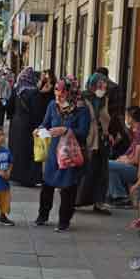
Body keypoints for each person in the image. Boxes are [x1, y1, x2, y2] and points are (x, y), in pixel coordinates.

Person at [33, 78, 90, 232]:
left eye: (63, 91)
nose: (59, 94)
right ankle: (42, 216)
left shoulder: (81, 109)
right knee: (47, 185)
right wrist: (39, 129)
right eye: (56, 90)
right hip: (53, 152)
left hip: (69, 153)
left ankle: (64, 221)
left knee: (68, 188)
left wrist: (66, 130)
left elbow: (84, 132)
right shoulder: (53, 105)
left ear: (71, 92)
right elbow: (45, 123)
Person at [75, 73, 112, 215]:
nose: (103, 87)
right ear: (92, 85)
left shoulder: (103, 100)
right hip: (87, 140)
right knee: (85, 170)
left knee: (102, 172)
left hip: (102, 140)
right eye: (100, 85)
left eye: (104, 85)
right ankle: (76, 200)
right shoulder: (82, 98)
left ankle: (99, 202)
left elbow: (106, 118)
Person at [8, 67, 43, 187]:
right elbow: (37, 112)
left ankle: (16, 175)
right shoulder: (34, 92)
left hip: (16, 125)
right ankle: (29, 178)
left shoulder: (17, 89)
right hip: (29, 125)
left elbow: (10, 107)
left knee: (17, 151)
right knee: (30, 151)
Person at [107, 106, 140, 206]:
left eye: (126, 116)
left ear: (131, 117)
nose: (125, 119)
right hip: (131, 165)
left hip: (136, 170)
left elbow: (136, 160)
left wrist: (124, 160)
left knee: (107, 164)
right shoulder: (137, 131)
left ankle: (120, 196)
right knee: (111, 170)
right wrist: (123, 158)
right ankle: (118, 196)